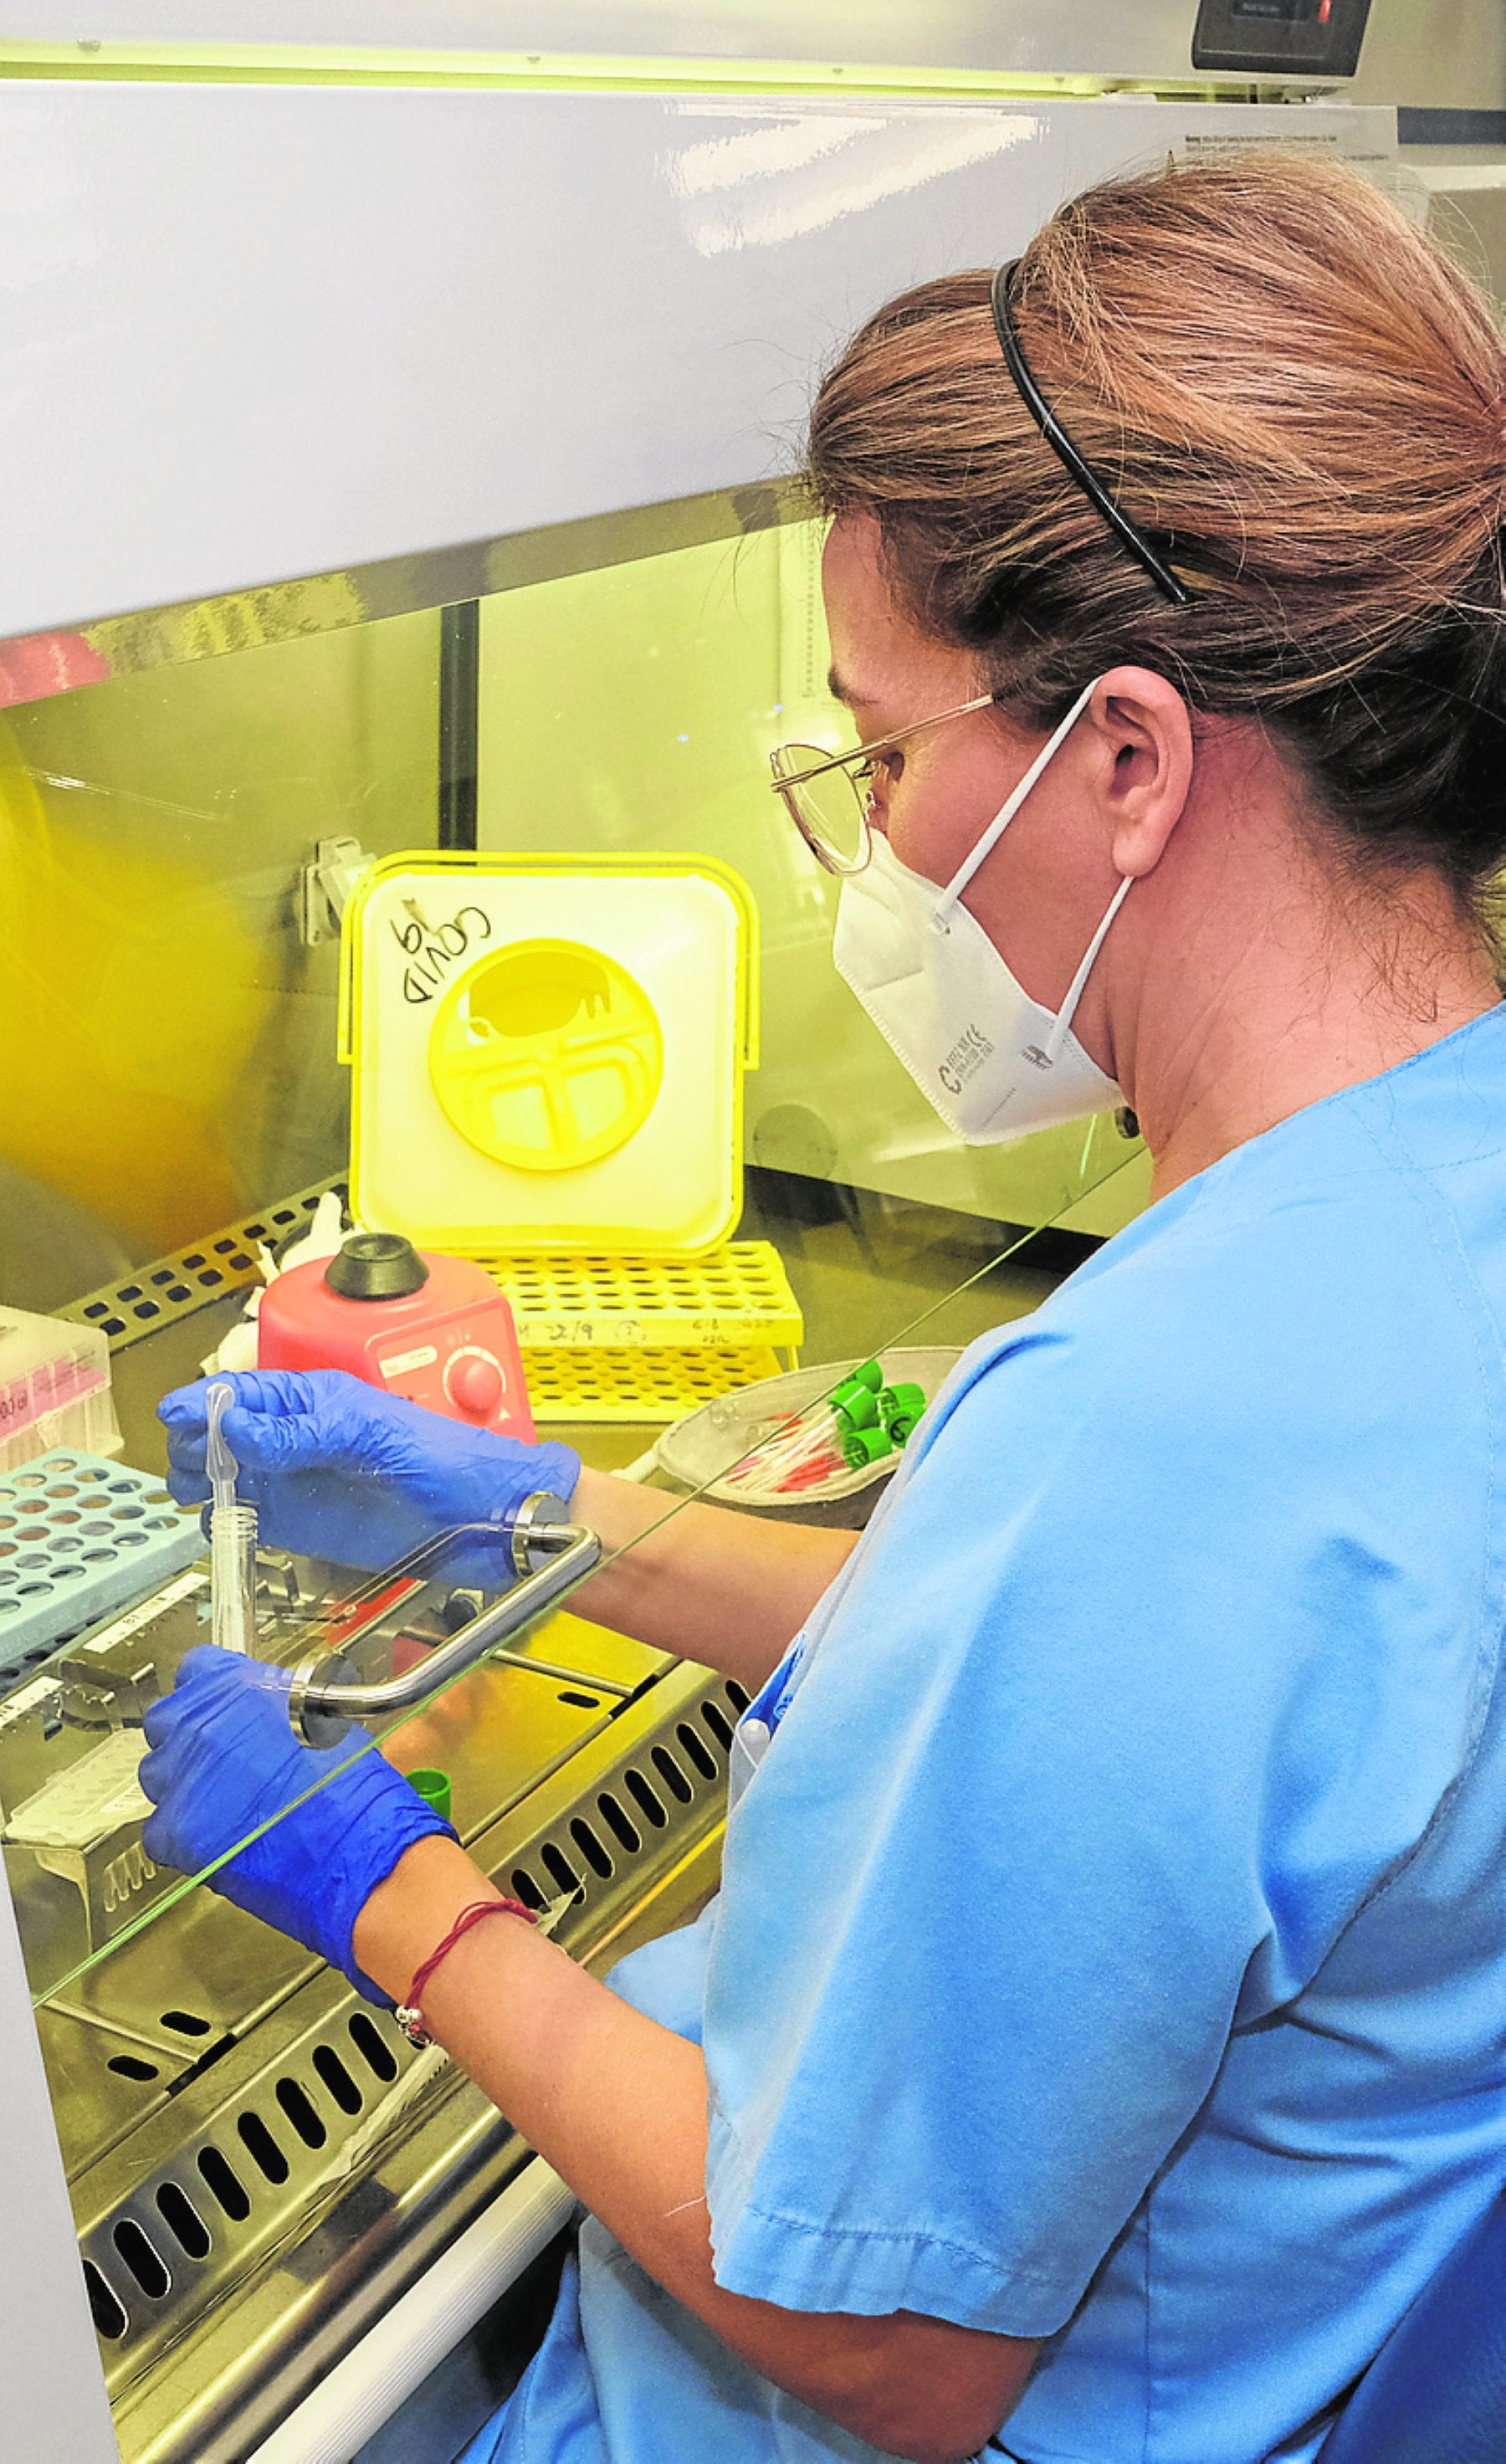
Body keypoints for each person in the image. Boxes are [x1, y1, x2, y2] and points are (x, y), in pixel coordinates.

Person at [142, 152, 1506, 2464]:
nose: (876, 839)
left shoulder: (1157, 1432)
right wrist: (559, 1521)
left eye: (882, 752)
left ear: (1133, 760)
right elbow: (1136, 1714)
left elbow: (873, 2330)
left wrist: (394, 1893)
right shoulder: (1423, 1193)